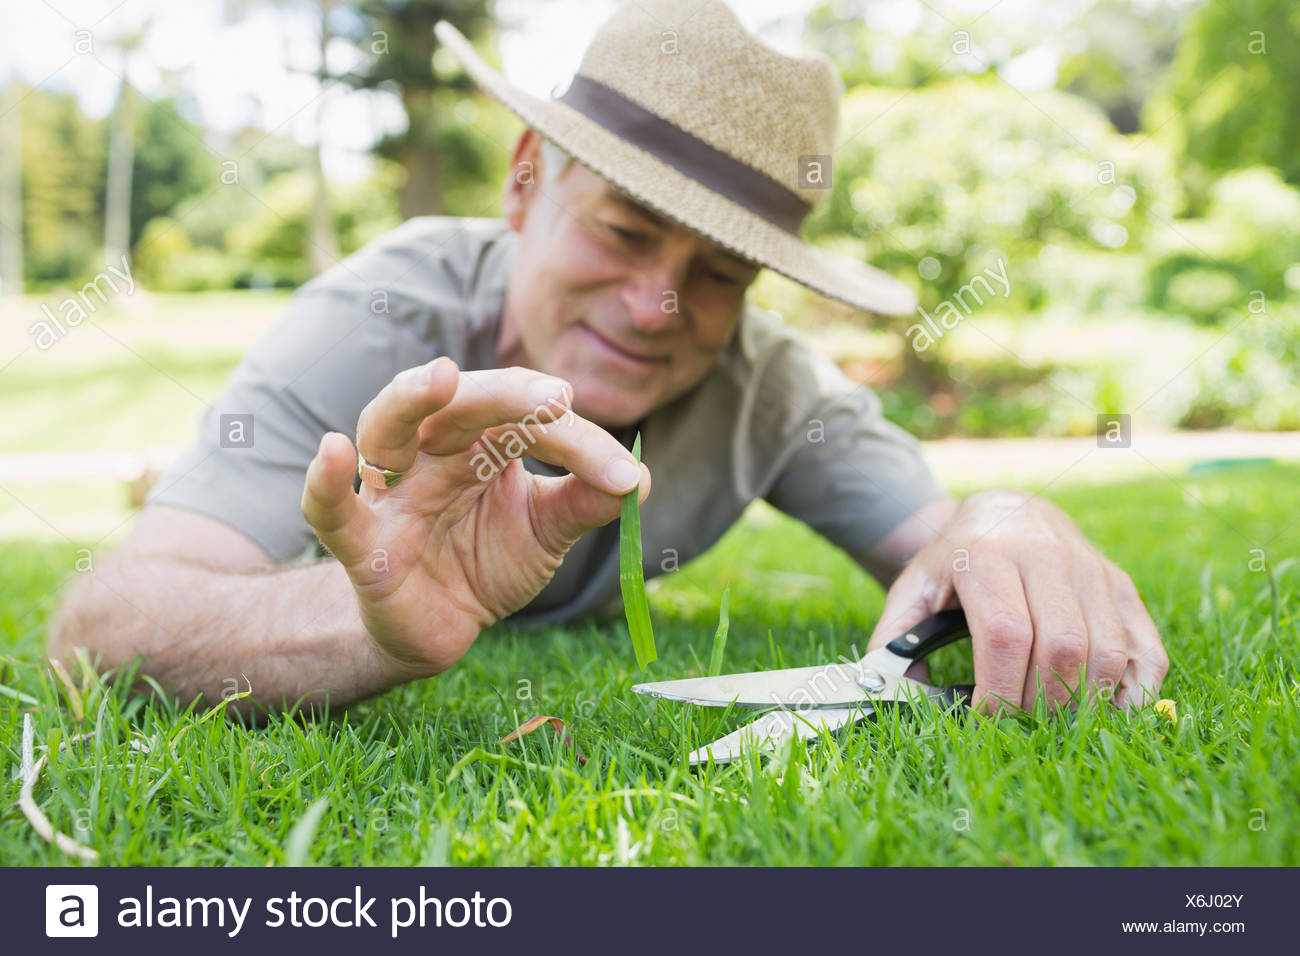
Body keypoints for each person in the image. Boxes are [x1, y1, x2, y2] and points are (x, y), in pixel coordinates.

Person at [48, 0, 1167, 717]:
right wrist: (371, 610)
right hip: (313, 489)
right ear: (526, 177)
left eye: (724, 273)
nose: (659, 305)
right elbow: (103, 625)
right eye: (627, 231)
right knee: (209, 502)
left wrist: (1011, 513)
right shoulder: (380, 317)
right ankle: (175, 473)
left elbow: (952, 540)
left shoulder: (765, 384)